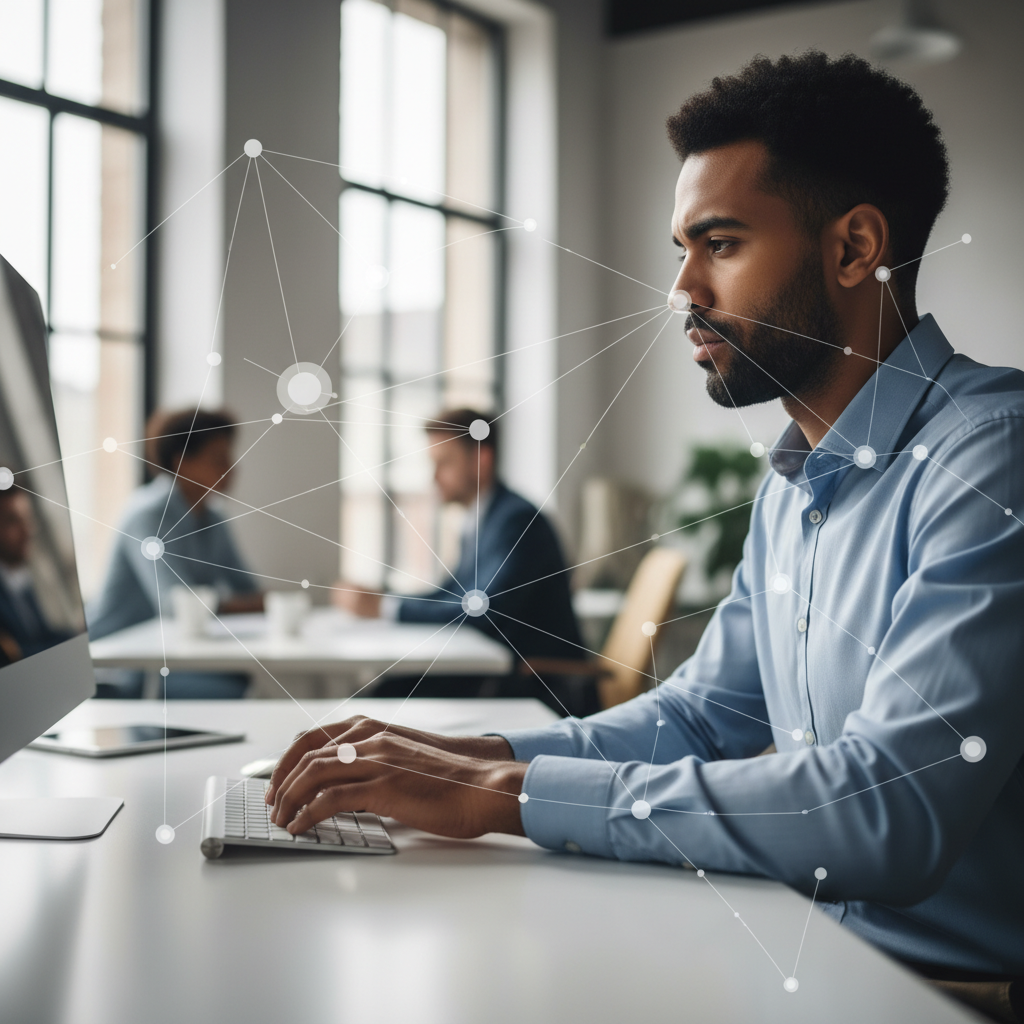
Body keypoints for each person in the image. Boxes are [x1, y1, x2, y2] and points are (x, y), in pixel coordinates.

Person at [266, 53, 1022, 1020]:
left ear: (853, 248)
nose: (680, 290)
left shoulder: (990, 456)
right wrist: (461, 753)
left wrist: (504, 795)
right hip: (808, 947)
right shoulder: (797, 478)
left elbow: (891, 812)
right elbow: (706, 718)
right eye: (682, 248)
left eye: (720, 243)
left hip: (939, 994)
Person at [334, 408, 589, 712]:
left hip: (536, 685)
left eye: (444, 464)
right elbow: (449, 594)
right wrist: (383, 600)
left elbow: (481, 609)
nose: (434, 477)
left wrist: (385, 607)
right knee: (381, 697)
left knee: (381, 704)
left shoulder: (518, 522)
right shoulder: (484, 520)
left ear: (481, 459)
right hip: (499, 673)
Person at [88, 408, 262, 698]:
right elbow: (176, 604)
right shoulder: (146, 516)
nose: (231, 468)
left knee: (240, 679)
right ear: (181, 462)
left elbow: (249, 590)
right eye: (218, 459)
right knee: (231, 688)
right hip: (120, 662)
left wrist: (240, 602)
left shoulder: (213, 518)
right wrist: (242, 603)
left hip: (173, 652)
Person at [0, 488, 75, 664]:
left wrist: (77, 637)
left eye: (27, 518)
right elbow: (12, 656)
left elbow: (40, 636)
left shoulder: (19, 577)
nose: (27, 531)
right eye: (12, 521)